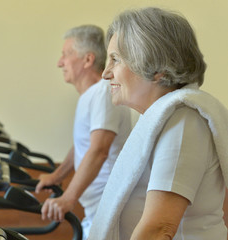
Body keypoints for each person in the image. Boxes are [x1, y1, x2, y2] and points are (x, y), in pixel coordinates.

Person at [88, 7, 228, 240]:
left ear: (157, 69)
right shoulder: (162, 119)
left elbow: (159, 229)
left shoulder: (184, 122)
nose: (105, 73)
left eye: (116, 60)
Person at [35, 24, 132, 239]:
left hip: (113, 212)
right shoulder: (91, 95)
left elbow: (99, 150)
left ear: (87, 60)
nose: (60, 62)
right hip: (99, 212)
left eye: (66, 55)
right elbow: (84, 145)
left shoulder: (104, 92)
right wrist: (57, 175)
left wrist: (68, 199)